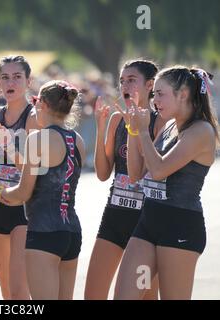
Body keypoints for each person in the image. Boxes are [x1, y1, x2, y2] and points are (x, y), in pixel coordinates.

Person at [115, 66, 219, 299]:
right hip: (149, 222)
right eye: (155, 95)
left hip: (180, 226)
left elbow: (160, 170)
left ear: (183, 94)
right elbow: (137, 175)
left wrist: (143, 133)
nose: (154, 101)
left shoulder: (201, 131)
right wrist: (133, 129)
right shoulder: (170, 126)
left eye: (160, 94)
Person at [0, 80, 86, 300]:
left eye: (34, 101)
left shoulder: (37, 139)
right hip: (71, 232)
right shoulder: (77, 140)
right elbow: (48, 180)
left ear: (42, 104)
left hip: (44, 233)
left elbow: (24, 192)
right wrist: (10, 149)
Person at [85, 60, 164, 299]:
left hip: (147, 222)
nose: (125, 86)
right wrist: (101, 128)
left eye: (131, 80)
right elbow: (101, 173)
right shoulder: (117, 120)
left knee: (144, 297)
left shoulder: (161, 122)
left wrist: (137, 129)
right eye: (122, 81)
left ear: (150, 85)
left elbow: (146, 172)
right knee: (93, 294)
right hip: (115, 215)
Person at [0, 55, 39, 299]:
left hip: (24, 206)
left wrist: (9, 146)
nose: (10, 82)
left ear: (28, 81)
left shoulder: (35, 117)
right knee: (5, 289)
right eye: (5, 77)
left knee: (19, 289)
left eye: (17, 77)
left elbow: (35, 170)